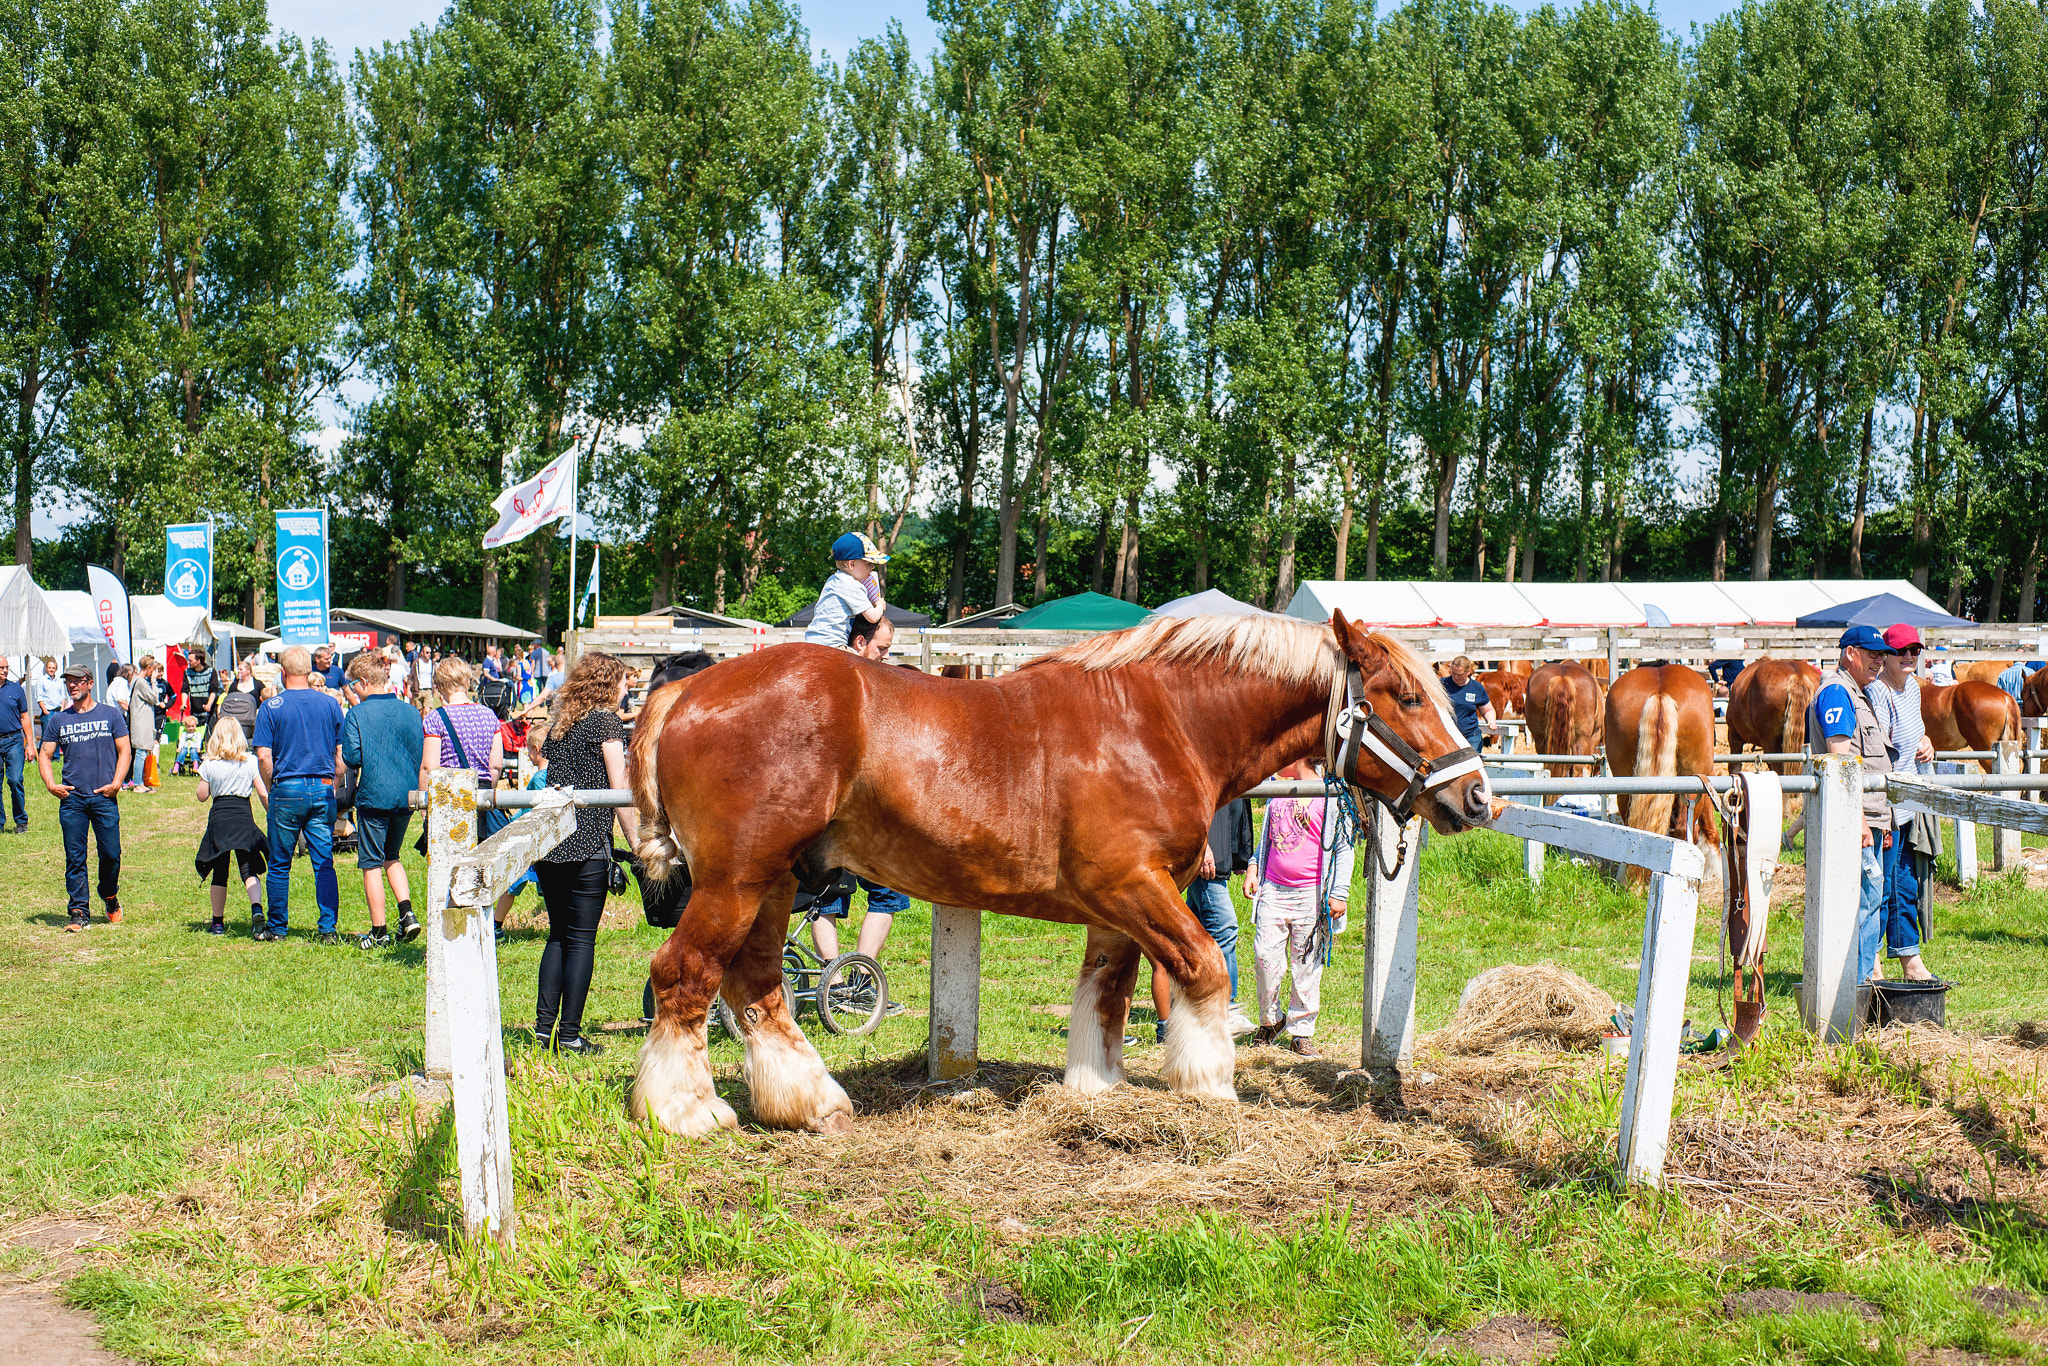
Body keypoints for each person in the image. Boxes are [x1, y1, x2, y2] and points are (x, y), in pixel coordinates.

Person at [532, 651, 640, 1054]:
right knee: (581, 941)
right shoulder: (605, 722)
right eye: (623, 682)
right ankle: (571, 1035)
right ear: (607, 684)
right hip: (588, 844)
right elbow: (618, 790)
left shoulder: (562, 724)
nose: (627, 688)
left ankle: (544, 1032)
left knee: (556, 936)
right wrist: (637, 843)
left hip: (551, 844)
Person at [810, 615, 911, 987]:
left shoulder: (824, 683)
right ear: (858, 643)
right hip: (867, 811)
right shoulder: (869, 689)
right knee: (886, 891)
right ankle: (854, 983)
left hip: (830, 809)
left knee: (821, 893)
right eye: (881, 649)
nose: (885, 657)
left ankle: (835, 981)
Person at [1808, 626, 1906, 984]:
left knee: (1871, 900)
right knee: (1865, 902)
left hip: (1871, 818)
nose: (1879, 661)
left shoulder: (1858, 693)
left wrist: (1882, 820)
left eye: (1882, 655)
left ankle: (1858, 981)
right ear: (1850, 653)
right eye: (1871, 653)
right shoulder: (1837, 692)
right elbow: (1841, 762)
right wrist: (1861, 820)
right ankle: (1859, 984)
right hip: (1855, 819)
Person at [1246, 758, 1354, 1057]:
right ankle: (1271, 1019)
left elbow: (1344, 846)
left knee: (1306, 965)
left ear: (1302, 759)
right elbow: (1267, 840)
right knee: (1264, 958)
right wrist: (1255, 868)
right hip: (1273, 890)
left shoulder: (1330, 797)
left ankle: (1301, 1030)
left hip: (1311, 894)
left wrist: (1339, 892)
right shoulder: (1277, 793)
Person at [253, 646, 345, 943]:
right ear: (309, 670)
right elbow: (340, 755)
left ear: (283, 672)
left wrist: (271, 788)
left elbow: (264, 757)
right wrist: (333, 781)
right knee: (324, 861)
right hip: (321, 785)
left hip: (286, 787)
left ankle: (278, 928)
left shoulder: (271, 706)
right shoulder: (331, 704)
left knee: (280, 863)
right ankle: (328, 928)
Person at [1867, 625, 1940, 982]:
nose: (1909, 656)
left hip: (1911, 798)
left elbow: (1916, 732)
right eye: (1902, 651)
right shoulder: (1878, 692)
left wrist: (1927, 741)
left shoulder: (1912, 687)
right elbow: (1881, 749)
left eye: (1915, 649)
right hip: (1889, 801)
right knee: (1882, 886)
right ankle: (1875, 959)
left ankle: (1907, 956)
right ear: (1887, 656)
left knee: (1905, 882)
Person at [1152, 798, 1256, 1042]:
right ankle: (1225, 1008)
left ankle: (1187, 1008)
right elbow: (1188, 801)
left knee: (1190, 936)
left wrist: (1239, 853)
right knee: (1224, 928)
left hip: (1216, 856)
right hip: (1206, 858)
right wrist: (1202, 844)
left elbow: (1237, 803)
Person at [37, 663, 131, 932]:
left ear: (90, 683)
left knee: (111, 854)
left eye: (78, 680)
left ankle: (109, 894)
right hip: (73, 799)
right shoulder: (59, 720)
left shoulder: (111, 715)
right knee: (75, 857)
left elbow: (124, 750)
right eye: (69, 681)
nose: (72, 685)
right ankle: (79, 911)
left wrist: (117, 782)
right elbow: (45, 754)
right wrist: (50, 784)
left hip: (103, 796)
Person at [342, 650, 425, 948]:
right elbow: (418, 751)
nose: (352, 689)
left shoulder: (357, 714)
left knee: (371, 863)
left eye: (354, 685)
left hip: (374, 795)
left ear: (364, 682)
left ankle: (379, 931)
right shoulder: (411, 711)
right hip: (406, 795)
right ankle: (407, 913)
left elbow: (351, 758)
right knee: (393, 856)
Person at [421, 657, 512, 839]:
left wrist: (424, 807)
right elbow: (495, 766)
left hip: (448, 794)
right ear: (467, 681)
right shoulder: (489, 715)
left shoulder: (435, 718)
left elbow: (428, 768)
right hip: (482, 792)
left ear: (439, 686)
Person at [193, 716, 268, 935]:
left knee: (220, 870)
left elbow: (201, 796)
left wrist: (206, 780)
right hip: (243, 816)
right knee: (248, 867)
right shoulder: (250, 761)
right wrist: (270, 813)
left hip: (220, 817)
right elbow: (262, 792)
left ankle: (217, 923)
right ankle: (256, 908)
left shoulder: (210, 764)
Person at [804, 531, 888, 647]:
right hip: (832, 643)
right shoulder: (851, 585)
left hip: (813, 639)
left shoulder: (834, 579)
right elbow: (873, 617)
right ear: (852, 564)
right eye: (868, 563)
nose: (873, 567)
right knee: (858, 664)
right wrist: (880, 605)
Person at [1440, 655, 1498, 750]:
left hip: (1471, 736)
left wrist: (1491, 721)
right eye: (1453, 673)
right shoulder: (1442, 684)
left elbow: (1488, 710)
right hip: (1448, 736)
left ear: (1468, 672)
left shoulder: (1476, 688)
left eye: (1459, 674)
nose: (1455, 677)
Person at [0, 657, 31, 833]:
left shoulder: (15, 689)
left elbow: (25, 717)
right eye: (1, 667)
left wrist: (30, 745)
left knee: (15, 780)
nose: (5, 670)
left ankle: (21, 821)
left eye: (7, 667)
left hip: (13, 741)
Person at [126, 656, 163, 791]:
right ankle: (137, 784)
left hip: (141, 721)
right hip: (141, 722)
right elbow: (154, 698)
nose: (154, 673)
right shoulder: (141, 682)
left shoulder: (136, 679)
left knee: (142, 751)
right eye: (153, 670)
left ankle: (141, 781)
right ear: (148, 668)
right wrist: (153, 682)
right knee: (141, 752)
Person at [32, 656, 66, 729]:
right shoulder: (41, 681)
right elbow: (39, 697)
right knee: (46, 736)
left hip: (58, 711)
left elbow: (63, 696)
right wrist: (45, 711)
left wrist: (62, 709)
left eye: (53, 668)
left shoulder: (59, 681)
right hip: (48, 713)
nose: (51, 670)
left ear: (56, 669)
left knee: (59, 735)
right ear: (46, 668)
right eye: (49, 668)